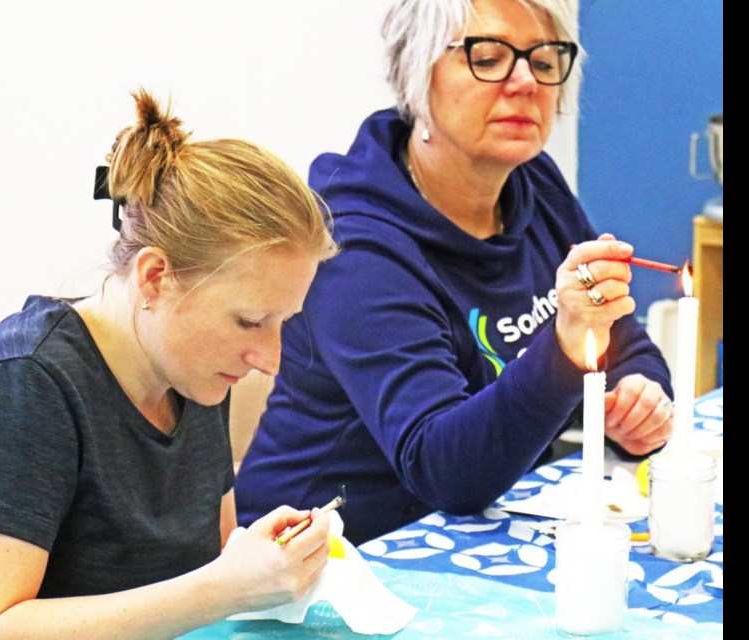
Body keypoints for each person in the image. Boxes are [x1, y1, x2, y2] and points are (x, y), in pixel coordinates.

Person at [235, 0, 674, 545]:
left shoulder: (533, 182)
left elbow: (622, 341)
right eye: (487, 58)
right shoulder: (352, 244)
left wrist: (639, 397)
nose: (524, 82)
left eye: (543, 61)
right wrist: (566, 347)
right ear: (416, 74)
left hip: (486, 525)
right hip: (335, 557)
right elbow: (444, 471)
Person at [0, 88, 339, 639]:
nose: (269, 360)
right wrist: (225, 588)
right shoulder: (26, 386)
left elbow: (211, 560)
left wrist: (258, 564)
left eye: (283, 322)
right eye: (250, 321)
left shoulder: (192, 370)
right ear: (156, 277)